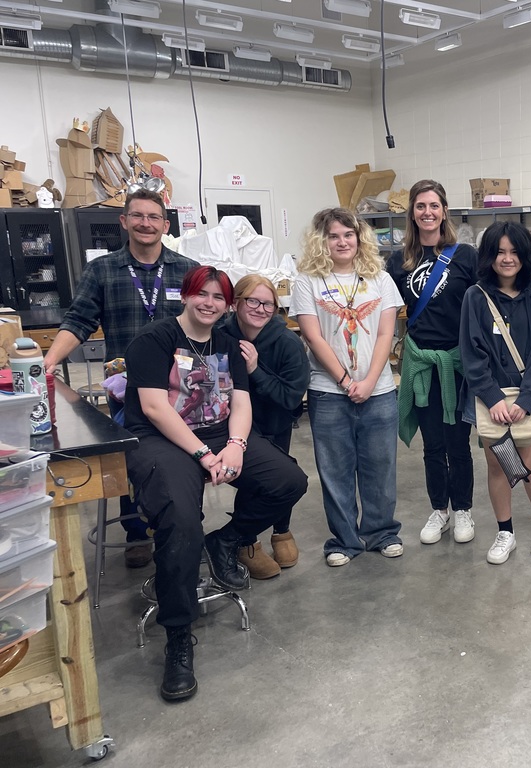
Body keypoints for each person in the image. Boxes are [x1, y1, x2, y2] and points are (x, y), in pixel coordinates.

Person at [123, 266, 308, 702]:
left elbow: (240, 402)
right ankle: (179, 636)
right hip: (162, 441)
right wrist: (204, 455)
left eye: (217, 297)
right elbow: (154, 408)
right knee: (182, 522)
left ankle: (227, 540)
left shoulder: (228, 345)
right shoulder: (154, 340)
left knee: (288, 480)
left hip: (221, 435)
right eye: (201, 294)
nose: (209, 302)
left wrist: (238, 445)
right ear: (185, 295)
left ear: (228, 304)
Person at [43, 188, 198, 568]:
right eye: (138, 216)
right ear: (124, 221)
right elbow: (78, 321)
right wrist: (47, 364)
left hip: (181, 389)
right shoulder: (103, 269)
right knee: (131, 458)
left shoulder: (187, 270)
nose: (146, 223)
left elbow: (209, 324)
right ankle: (135, 532)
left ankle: (184, 526)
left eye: (154, 217)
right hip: (125, 388)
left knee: (183, 456)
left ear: (165, 224)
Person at [294, 208, 404, 566]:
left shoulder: (381, 279)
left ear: (359, 239)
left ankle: (381, 532)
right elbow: (312, 336)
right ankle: (344, 540)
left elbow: (387, 332)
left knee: (380, 466)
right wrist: (345, 381)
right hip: (328, 391)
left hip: (380, 390)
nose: (342, 242)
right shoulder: (308, 280)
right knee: (335, 469)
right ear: (322, 241)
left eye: (348, 235)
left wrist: (370, 381)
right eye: (333, 236)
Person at [387, 180, 479, 547]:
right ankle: (439, 509)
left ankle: (463, 511)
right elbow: (385, 309)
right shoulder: (399, 260)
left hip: (457, 364)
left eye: (434, 205)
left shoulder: (465, 256)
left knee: (459, 443)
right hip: (421, 363)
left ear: (444, 210)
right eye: (420, 206)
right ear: (412, 212)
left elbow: (483, 304)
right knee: (432, 446)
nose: (428, 212)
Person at [459, 221, 531, 565]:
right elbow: (471, 351)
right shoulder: (476, 296)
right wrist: (492, 397)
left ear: (525, 255)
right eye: (500, 252)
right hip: (492, 400)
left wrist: (527, 401)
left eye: (514, 251)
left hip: (525, 398)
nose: (507, 258)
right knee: (497, 466)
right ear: (489, 256)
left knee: (528, 466)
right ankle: (505, 531)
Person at [221, 275, 310, 578]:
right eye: (252, 301)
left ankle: (282, 532)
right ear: (236, 302)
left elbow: (289, 398)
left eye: (268, 303)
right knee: (251, 481)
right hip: (228, 426)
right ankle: (248, 543)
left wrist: (255, 370)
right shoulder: (220, 335)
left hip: (274, 423)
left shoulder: (287, 342)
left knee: (282, 473)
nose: (260, 308)